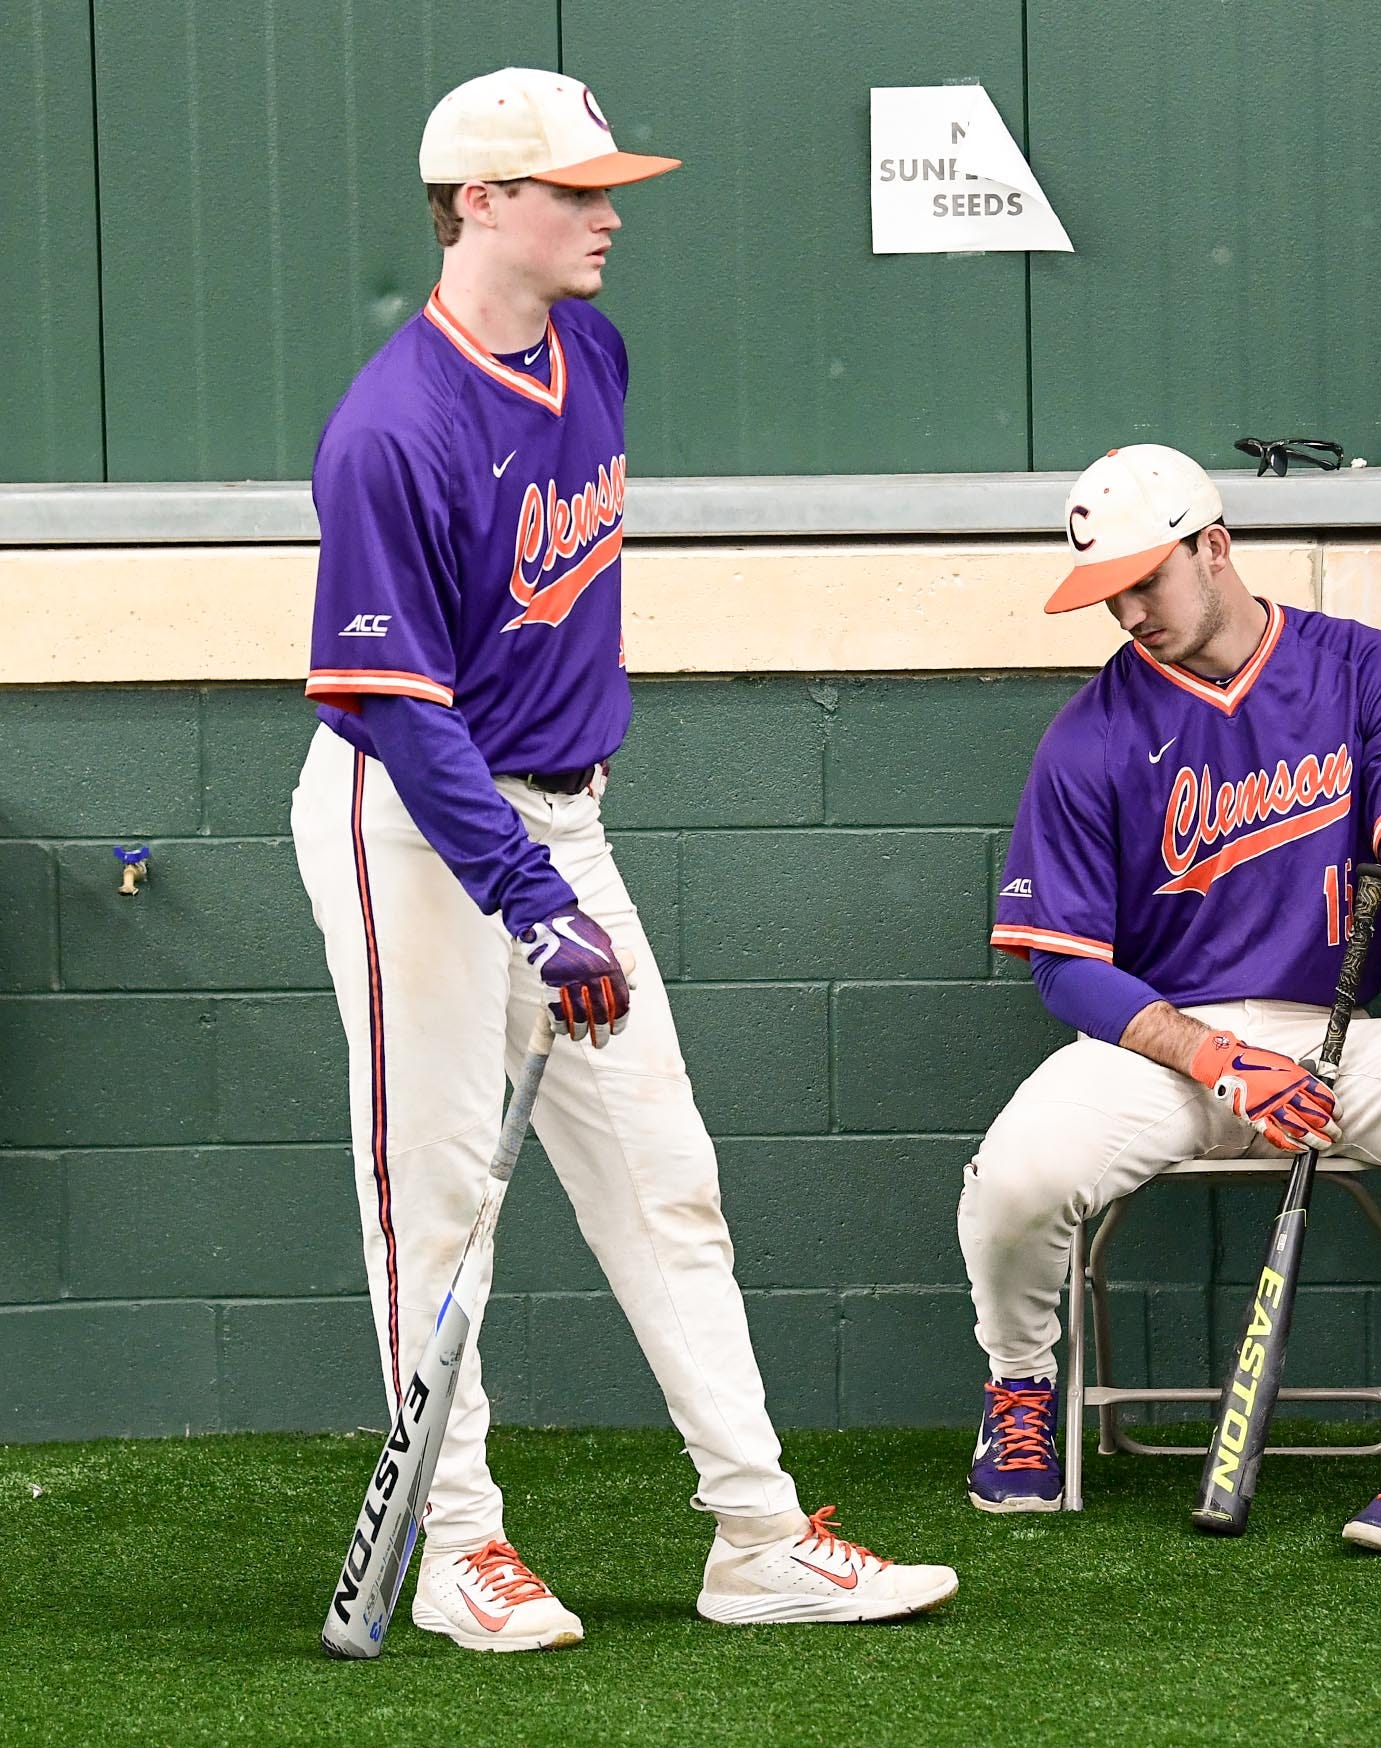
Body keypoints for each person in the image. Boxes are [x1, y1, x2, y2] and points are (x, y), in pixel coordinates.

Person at [289, 66, 954, 1647]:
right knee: (438, 1193)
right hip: (418, 823)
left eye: (609, 188)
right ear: (477, 205)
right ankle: (456, 1544)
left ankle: (758, 1536)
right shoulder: (390, 428)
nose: (608, 214)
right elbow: (399, 711)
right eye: (577, 190)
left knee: (665, 1183)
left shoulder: (591, 349)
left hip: (561, 819)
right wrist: (527, 899)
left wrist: (557, 873)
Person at [957, 443, 1381, 1552]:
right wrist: (1212, 1058)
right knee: (1017, 1173)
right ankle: (1019, 1387)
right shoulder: (1089, 733)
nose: (1128, 610)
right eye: (1106, 591)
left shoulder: (1363, 668)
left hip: (1336, 1041)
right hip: (1162, 1051)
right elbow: (1065, 965)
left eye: (1145, 579)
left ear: (1212, 546)